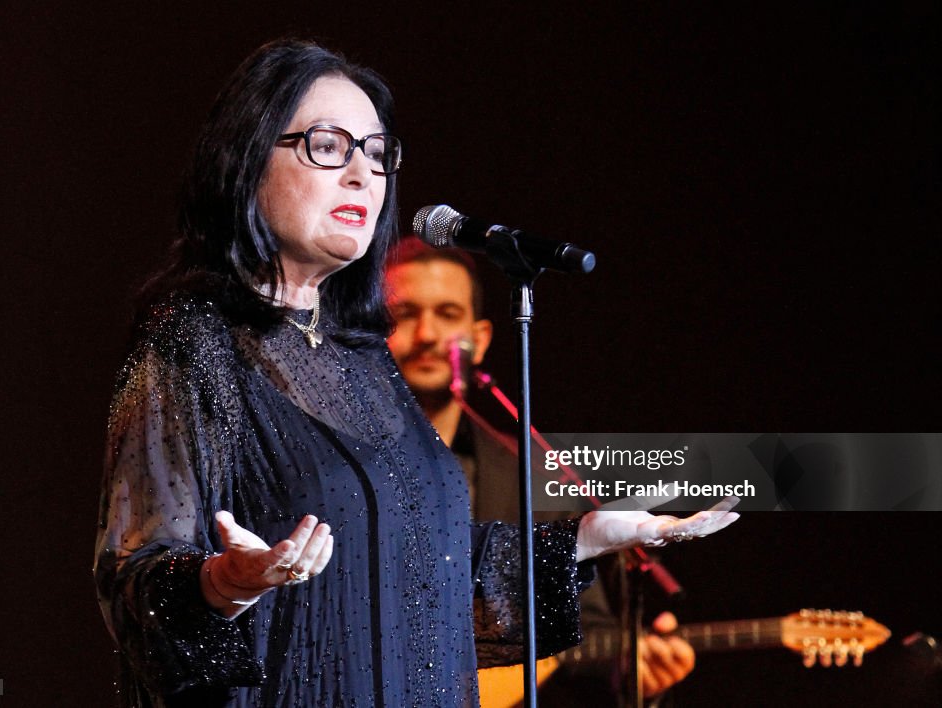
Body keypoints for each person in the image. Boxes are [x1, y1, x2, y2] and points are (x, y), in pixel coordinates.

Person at [94, 39, 738, 708]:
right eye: (328, 146)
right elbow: (131, 578)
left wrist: (582, 537)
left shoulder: (362, 355)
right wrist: (226, 582)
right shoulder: (194, 343)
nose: (362, 176)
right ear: (247, 162)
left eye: (376, 154)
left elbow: (429, 571)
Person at [384, 236, 696, 703]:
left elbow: (584, 627)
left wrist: (631, 674)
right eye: (405, 314)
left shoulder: (534, 474)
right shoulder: (330, 458)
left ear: (482, 339)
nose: (427, 333)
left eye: (447, 314)